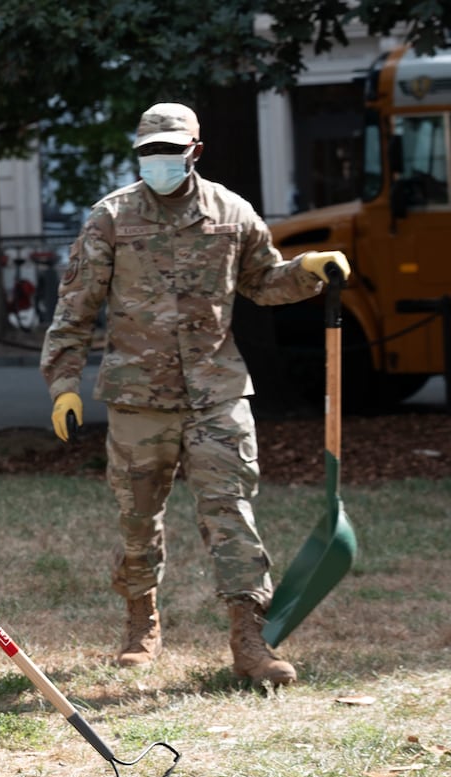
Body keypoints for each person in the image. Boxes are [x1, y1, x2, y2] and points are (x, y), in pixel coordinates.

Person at [41, 102, 350, 686]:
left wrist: (308, 268)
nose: (160, 161)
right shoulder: (110, 218)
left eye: (171, 150)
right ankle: (141, 621)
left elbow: (264, 282)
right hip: (137, 398)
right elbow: (75, 308)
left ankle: (249, 638)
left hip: (216, 392)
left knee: (231, 515)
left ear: (195, 152)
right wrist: (63, 385)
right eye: (149, 152)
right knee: (138, 521)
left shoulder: (232, 214)